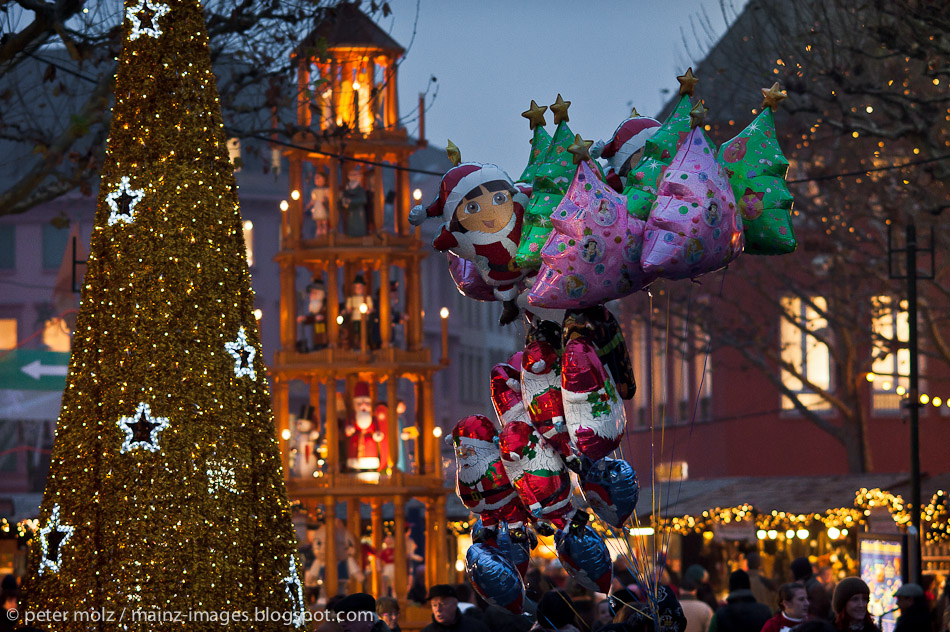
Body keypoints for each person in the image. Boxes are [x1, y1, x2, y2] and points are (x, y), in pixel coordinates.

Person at [421, 584, 490, 632]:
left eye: (443, 604)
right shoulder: (427, 630)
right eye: (434, 605)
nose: (438, 609)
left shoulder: (476, 628)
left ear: (455, 604)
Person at [791, 557, 833, 622]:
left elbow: (816, 615)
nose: (790, 575)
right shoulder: (808, 585)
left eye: (792, 572)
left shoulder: (816, 589)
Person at [342, 167, 369, 237]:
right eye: (351, 175)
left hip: (358, 212)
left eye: (355, 175)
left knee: (359, 228)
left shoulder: (360, 190)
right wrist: (344, 201)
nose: (352, 177)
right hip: (350, 212)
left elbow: (363, 199)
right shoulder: (347, 189)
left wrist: (351, 201)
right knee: (350, 228)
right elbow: (344, 198)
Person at [309, 171, 330, 236]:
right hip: (317, 206)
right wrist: (308, 206)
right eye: (316, 179)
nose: (317, 180)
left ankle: (324, 230)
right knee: (318, 220)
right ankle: (319, 230)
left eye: (319, 178)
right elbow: (313, 200)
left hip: (323, 206)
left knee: (324, 219)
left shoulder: (326, 190)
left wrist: (326, 200)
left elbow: (328, 197)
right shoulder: (314, 191)